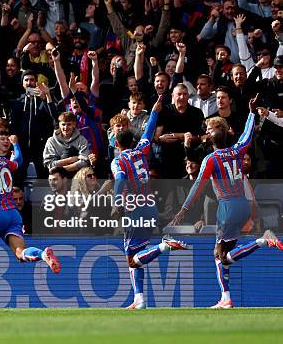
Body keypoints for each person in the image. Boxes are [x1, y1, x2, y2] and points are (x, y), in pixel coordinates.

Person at [171, 98, 283, 309]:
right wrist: (251, 113)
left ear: (211, 142)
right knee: (224, 254)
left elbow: (198, 186)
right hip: (242, 204)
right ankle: (226, 297)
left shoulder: (211, 159)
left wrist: (184, 209)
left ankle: (261, 242)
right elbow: (247, 136)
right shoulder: (238, 150)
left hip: (227, 207)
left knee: (219, 256)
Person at [0, 136, 61, 310]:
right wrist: (15, 143)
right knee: (20, 253)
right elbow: (19, 160)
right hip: (13, 214)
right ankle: (43, 255)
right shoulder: (5, 162)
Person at [111, 95, 189, 310]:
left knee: (131, 259)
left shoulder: (118, 160)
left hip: (134, 210)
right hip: (150, 207)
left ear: (117, 144)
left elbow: (119, 180)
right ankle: (140, 300)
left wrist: (117, 202)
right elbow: (148, 133)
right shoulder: (141, 149)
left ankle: (165, 245)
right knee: (138, 256)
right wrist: (154, 111)